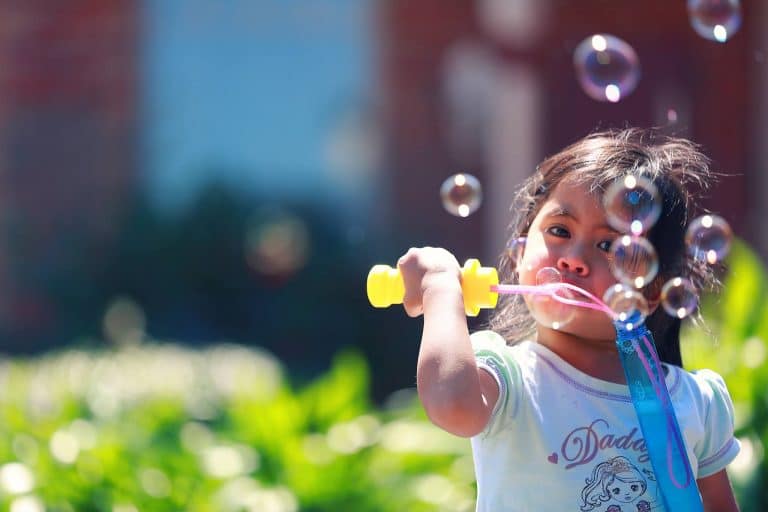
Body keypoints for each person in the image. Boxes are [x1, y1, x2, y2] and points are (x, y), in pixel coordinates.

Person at [397, 128, 741, 511]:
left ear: (650, 289)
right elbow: (452, 407)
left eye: (609, 245)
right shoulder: (509, 377)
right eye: (559, 231)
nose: (573, 258)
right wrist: (442, 289)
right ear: (519, 254)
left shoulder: (696, 402)